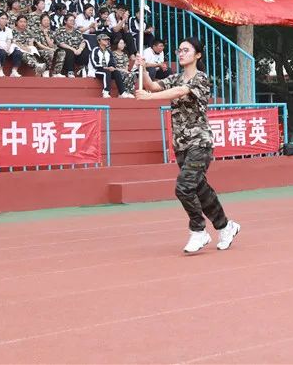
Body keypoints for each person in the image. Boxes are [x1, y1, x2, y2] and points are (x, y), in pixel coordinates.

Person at [136, 37, 240, 253]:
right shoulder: (175, 77)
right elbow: (153, 86)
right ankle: (225, 226)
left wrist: (147, 99)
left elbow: (179, 92)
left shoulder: (201, 79)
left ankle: (198, 230)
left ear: (197, 55)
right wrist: (143, 68)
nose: (181, 53)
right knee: (200, 189)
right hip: (181, 144)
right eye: (179, 50)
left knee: (183, 187)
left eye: (186, 50)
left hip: (199, 142)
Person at [52, 13, 90, 77]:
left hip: (77, 50)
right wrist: (73, 49)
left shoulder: (77, 31)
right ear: (65, 21)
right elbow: (61, 43)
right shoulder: (59, 31)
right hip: (66, 50)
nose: (73, 22)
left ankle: (82, 69)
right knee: (69, 52)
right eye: (71, 20)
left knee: (86, 51)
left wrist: (80, 49)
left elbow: (83, 42)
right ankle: (70, 71)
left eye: (73, 21)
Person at [0, 11, 23, 77]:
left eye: (6, 19)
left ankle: (14, 71)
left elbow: (9, 40)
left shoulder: (9, 30)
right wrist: (2, 47)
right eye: (2, 18)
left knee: (18, 52)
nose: (4, 20)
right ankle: (0, 70)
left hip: (6, 45)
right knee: (2, 52)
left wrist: (7, 47)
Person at [90, 33, 126, 97]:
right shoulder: (95, 50)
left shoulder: (109, 51)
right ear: (99, 41)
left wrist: (112, 67)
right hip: (96, 70)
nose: (106, 41)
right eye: (104, 39)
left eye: (107, 40)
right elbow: (94, 63)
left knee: (116, 72)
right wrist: (104, 67)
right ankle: (106, 91)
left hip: (107, 70)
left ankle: (122, 92)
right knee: (106, 72)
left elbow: (112, 62)